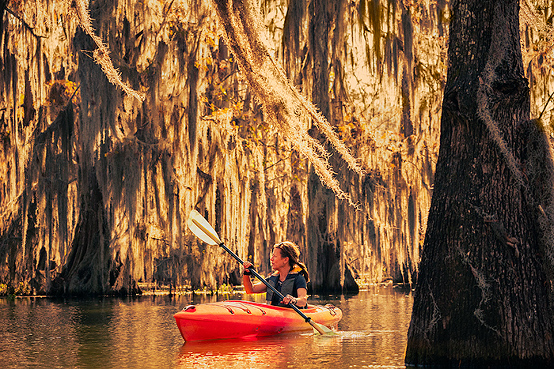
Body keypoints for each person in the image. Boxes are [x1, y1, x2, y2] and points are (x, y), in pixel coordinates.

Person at [243, 241, 310, 308]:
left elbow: (303, 300)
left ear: (285, 260)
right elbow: (250, 290)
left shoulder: (298, 278)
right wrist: (246, 273)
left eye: (274, 256)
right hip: (274, 314)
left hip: (292, 315)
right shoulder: (273, 279)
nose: (271, 259)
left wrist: (293, 300)